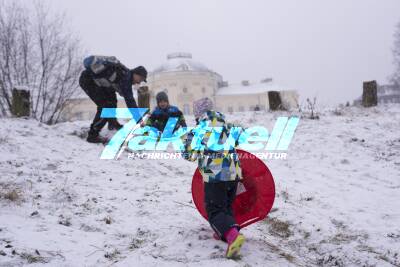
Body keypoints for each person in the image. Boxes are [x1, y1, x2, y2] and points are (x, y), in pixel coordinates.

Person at [182, 97, 245, 259]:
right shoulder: (226, 125)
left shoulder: (198, 131)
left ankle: (232, 235)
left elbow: (190, 155)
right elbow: (240, 136)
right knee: (226, 207)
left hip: (215, 174)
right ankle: (227, 233)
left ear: (198, 115)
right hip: (233, 173)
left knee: (215, 210)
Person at [79, 55, 147, 143]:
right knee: (105, 107)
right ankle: (93, 134)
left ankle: (112, 123)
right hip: (88, 81)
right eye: (140, 79)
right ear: (136, 74)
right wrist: (139, 121)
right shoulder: (125, 78)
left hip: (99, 82)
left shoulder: (124, 74)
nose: (139, 82)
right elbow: (130, 102)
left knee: (112, 100)